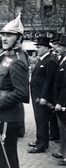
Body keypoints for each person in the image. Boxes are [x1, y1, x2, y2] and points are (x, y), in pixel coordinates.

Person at [0, 14, 29, 168]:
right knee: (4, 158)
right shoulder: (7, 56)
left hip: (9, 117)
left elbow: (21, 93)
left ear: (19, 39)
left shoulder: (17, 61)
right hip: (2, 114)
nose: (4, 38)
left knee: (7, 159)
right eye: (3, 35)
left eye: (9, 35)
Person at [28, 36, 58, 153]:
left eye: (39, 47)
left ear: (46, 48)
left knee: (42, 120)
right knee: (38, 119)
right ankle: (39, 140)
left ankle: (42, 145)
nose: (37, 50)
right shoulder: (42, 60)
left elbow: (49, 81)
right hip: (37, 95)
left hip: (41, 96)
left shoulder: (50, 61)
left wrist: (44, 97)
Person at [51, 34, 66, 166]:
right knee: (62, 129)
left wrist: (60, 102)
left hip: (63, 103)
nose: (57, 48)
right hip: (59, 102)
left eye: (60, 46)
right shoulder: (62, 59)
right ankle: (63, 151)